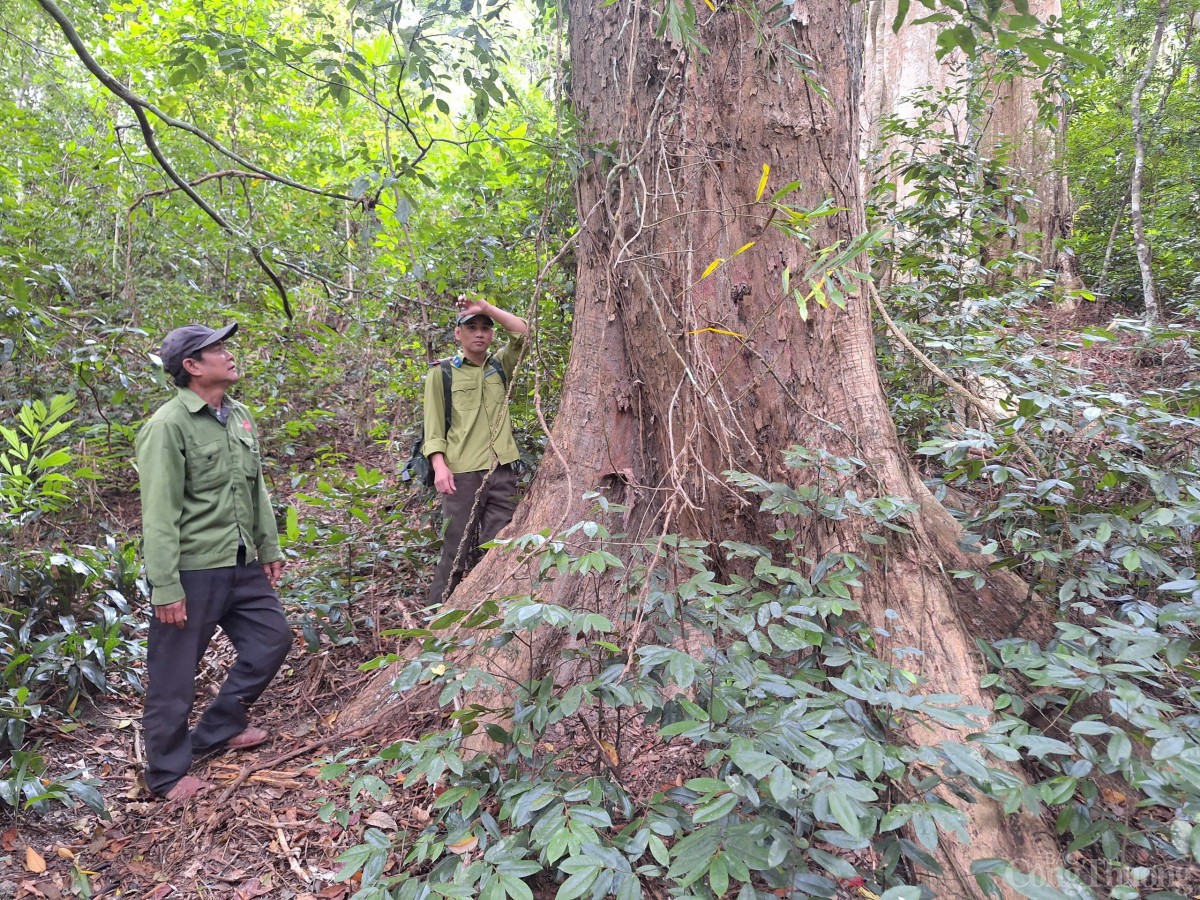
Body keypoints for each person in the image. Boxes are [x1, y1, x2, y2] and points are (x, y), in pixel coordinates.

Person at [135, 322, 291, 801]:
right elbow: (159, 513)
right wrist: (165, 585)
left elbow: (255, 487)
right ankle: (164, 774)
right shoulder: (168, 426)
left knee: (273, 639)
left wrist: (269, 547)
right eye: (216, 350)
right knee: (174, 674)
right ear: (192, 367)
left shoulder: (239, 416)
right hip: (193, 569)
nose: (229, 355)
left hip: (240, 561)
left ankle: (218, 729)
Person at [423, 294, 529, 604]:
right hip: (462, 474)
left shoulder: (499, 366)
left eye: (485, 327)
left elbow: (523, 333)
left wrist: (487, 307)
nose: (479, 333)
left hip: (502, 470)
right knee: (454, 551)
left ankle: (485, 615)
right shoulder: (441, 372)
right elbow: (433, 427)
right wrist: (439, 467)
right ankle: (435, 625)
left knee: (498, 550)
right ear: (459, 334)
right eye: (472, 327)